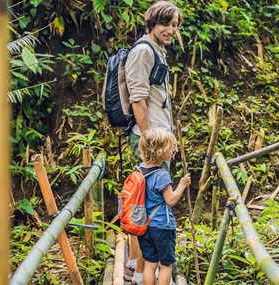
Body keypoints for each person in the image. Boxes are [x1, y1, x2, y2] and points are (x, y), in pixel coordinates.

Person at [124, 2, 182, 284]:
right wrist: (150, 141)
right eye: (166, 25)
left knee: (150, 203)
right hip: (150, 138)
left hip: (160, 136)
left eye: (174, 25)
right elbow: (138, 98)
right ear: (152, 24)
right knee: (145, 205)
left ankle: (140, 265)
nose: (171, 30)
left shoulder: (158, 50)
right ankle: (138, 268)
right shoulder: (143, 51)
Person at [135, 129, 190, 285]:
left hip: (145, 226)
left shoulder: (139, 170)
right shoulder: (161, 174)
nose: (174, 150)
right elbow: (171, 200)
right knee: (166, 264)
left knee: (150, 263)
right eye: (171, 147)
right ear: (159, 151)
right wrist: (182, 184)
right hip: (162, 226)